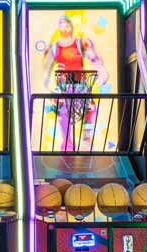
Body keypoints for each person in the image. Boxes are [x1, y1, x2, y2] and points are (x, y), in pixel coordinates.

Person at [41, 15, 108, 152]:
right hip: (64, 85)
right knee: (64, 115)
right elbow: (46, 68)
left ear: (71, 27)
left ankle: (86, 137)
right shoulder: (54, 47)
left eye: (67, 26)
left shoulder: (79, 43)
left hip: (80, 84)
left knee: (90, 110)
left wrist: (100, 70)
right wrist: (47, 84)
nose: (64, 29)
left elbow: (94, 58)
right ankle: (67, 144)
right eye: (62, 26)